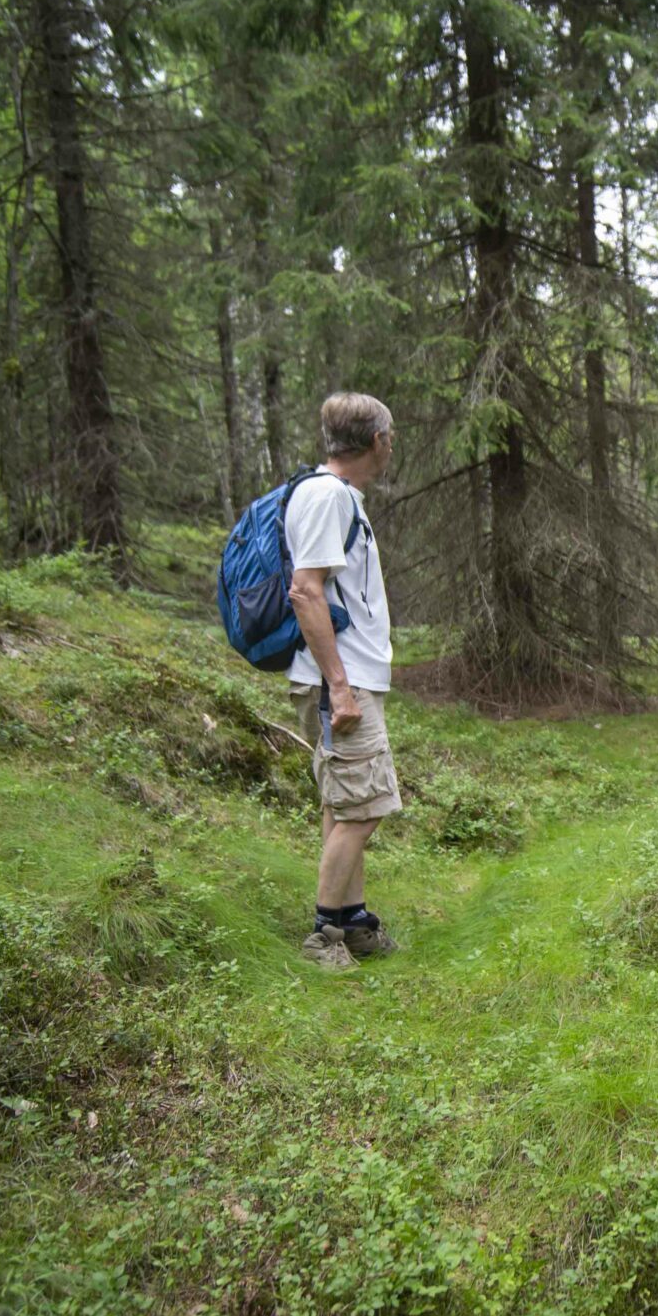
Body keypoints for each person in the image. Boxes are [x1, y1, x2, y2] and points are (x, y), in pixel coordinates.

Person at [288, 392, 403, 968]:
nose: (392, 447)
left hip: (348, 677)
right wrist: (338, 686)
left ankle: (352, 920)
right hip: (342, 682)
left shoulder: (338, 498)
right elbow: (305, 590)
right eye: (390, 437)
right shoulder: (327, 497)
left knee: (346, 803)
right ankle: (323, 935)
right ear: (375, 441)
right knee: (368, 806)